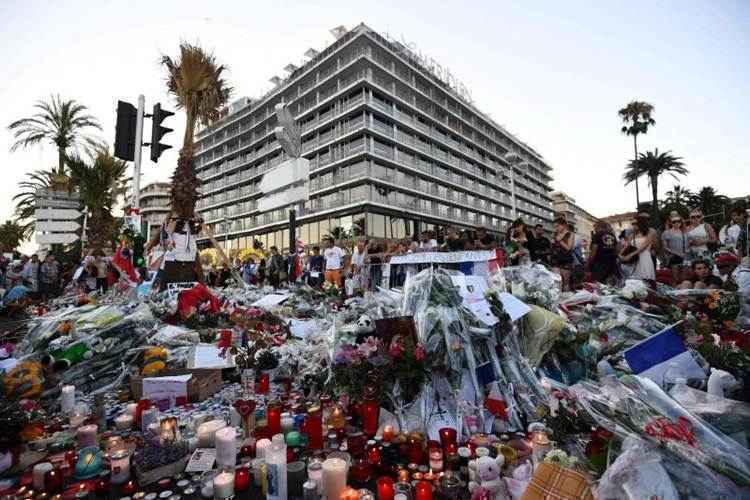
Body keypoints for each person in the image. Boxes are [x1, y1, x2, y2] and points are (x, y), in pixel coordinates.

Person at [621, 213, 657, 281]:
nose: (633, 225)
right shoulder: (632, 235)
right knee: (635, 281)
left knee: (646, 280)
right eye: (632, 223)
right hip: (634, 259)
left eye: (635, 223)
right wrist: (620, 254)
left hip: (644, 257)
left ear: (640, 223)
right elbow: (626, 246)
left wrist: (630, 255)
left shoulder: (650, 232)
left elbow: (643, 247)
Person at [661, 214, 688, 285]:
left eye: (678, 221)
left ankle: (683, 294)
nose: (676, 223)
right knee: (675, 279)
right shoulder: (667, 232)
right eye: (674, 222)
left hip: (685, 257)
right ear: (670, 223)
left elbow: (688, 244)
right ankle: (675, 294)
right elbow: (665, 247)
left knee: (684, 279)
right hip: (674, 257)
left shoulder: (684, 232)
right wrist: (677, 253)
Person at [550, 218, 575, 291]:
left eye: (557, 226)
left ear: (563, 225)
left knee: (566, 282)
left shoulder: (570, 234)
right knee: (557, 281)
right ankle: (558, 299)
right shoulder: (555, 234)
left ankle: (566, 299)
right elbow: (552, 246)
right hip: (555, 259)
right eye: (554, 227)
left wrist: (559, 240)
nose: (556, 228)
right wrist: (552, 239)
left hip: (566, 259)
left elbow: (569, 248)